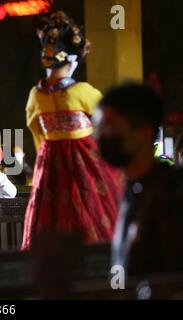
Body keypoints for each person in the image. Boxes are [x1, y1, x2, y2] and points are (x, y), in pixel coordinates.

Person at [22, 11, 123, 250]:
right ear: (72, 61)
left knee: (49, 212)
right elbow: (109, 123)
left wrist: (43, 154)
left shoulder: (36, 95)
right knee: (94, 208)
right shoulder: (82, 91)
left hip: (49, 160)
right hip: (84, 158)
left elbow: (34, 127)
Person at [95, 83, 183, 276]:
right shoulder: (132, 189)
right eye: (98, 127)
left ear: (144, 133)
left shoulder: (173, 193)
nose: (101, 136)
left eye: (111, 126)